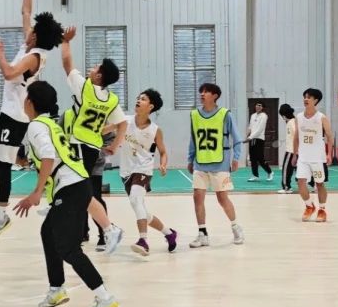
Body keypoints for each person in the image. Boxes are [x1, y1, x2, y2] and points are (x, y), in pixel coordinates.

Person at [13, 81, 119, 307]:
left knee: (69, 248)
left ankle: (104, 298)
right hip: (76, 184)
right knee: (48, 233)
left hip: (70, 188)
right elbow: (45, 157)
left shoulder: (36, 126)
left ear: (30, 102)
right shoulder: (50, 124)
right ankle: (57, 289)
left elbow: (49, 156)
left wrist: (36, 192)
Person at [0, 0, 63, 241]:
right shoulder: (31, 46)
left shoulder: (33, 57)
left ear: (35, 36)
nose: (28, 28)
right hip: (7, 114)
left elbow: (9, 73)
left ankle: (1, 216)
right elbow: (26, 12)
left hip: (16, 118)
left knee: (3, 164)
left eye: (32, 30)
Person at [59, 26, 125, 254]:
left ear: (98, 76)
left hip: (79, 144)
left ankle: (109, 229)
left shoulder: (85, 88)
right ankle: (63, 209)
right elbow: (122, 123)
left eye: (96, 67)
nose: (92, 67)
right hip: (92, 149)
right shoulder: (111, 99)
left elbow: (67, 63)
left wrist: (66, 41)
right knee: (76, 187)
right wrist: (115, 145)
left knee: (80, 190)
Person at [117, 89, 178, 256]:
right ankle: (169, 234)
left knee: (136, 200)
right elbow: (108, 128)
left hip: (143, 169)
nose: (138, 100)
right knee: (141, 210)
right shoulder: (125, 121)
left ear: (150, 106)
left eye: (143, 99)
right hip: (126, 172)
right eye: (138, 98)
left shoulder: (155, 130)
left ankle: (143, 241)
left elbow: (163, 152)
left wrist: (163, 164)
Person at [187, 82, 245, 247]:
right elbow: (193, 139)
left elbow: (237, 139)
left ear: (215, 96)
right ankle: (202, 234)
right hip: (200, 163)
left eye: (206, 92)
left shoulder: (225, 114)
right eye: (201, 91)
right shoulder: (194, 115)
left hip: (220, 163)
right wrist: (190, 159)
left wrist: (236, 158)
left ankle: (236, 227)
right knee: (197, 197)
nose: (202, 94)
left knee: (222, 198)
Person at [294, 89, 333, 222]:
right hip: (303, 157)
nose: (306, 99)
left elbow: (329, 136)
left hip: (317, 158)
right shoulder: (299, 117)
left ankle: (322, 210)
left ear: (315, 100)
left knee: (319, 184)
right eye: (305, 97)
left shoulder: (321, 117)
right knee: (300, 182)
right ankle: (309, 206)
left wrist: (329, 154)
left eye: (309, 97)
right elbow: (296, 137)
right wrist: (295, 154)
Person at [246, 102, 272, 182]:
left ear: (262, 107)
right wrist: (247, 135)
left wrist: (250, 137)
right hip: (252, 139)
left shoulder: (264, 116)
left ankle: (270, 172)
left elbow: (260, 129)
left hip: (259, 139)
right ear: (255, 106)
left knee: (260, 158)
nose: (258, 106)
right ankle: (255, 175)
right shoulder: (253, 115)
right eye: (257, 105)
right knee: (252, 158)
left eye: (260, 105)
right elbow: (250, 126)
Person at [278, 103, 297, 194]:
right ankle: (314, 185)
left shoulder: (290, 123)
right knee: (301, 171)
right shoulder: (296, 121)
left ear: (284, 115)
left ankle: (286, 187)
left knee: (286, 169)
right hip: (298, 151)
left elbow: (296, 135)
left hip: (291, 151)